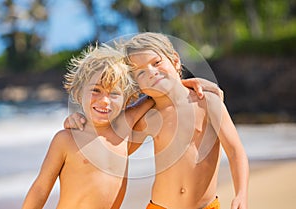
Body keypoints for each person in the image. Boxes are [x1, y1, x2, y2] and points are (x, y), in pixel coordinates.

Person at [67, 32, 248, 209]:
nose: (151, 72)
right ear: (138, 85)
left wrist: (241, 194)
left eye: (156, 63)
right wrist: (80, 122)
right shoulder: (149, 116)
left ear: (175, 61)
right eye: (141, 73)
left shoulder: (208, 103)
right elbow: (111, 147)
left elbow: (235, 152)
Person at [22, 44, 156, 209]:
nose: (104, 101)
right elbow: (41, 187)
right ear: (79, 93)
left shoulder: (124, 131)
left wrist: (192, 83)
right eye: (96, 90)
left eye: (114, 93)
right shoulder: (67, 139)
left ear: (127, 100)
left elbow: (155, 96)